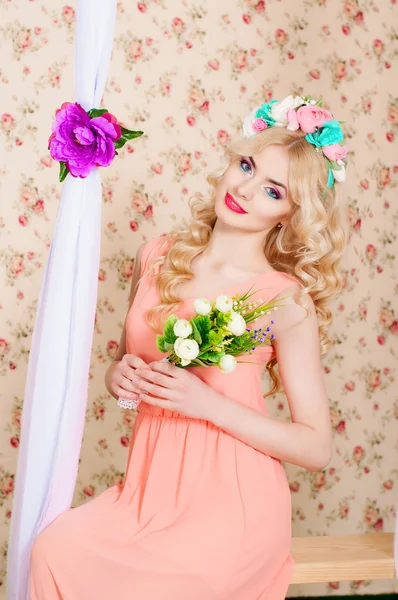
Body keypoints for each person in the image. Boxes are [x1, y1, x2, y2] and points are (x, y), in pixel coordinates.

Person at [30, 94, 348, 599]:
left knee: (175, 584)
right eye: (246, 165)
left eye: (272, 190)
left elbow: (316, 446)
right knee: (53, 550)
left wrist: (208, 404)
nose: (244, 189)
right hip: (143, 494)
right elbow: (121, 368)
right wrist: (121, 378)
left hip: (230, 507)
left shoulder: (284, 299)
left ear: (290, 214)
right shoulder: (156, 256)